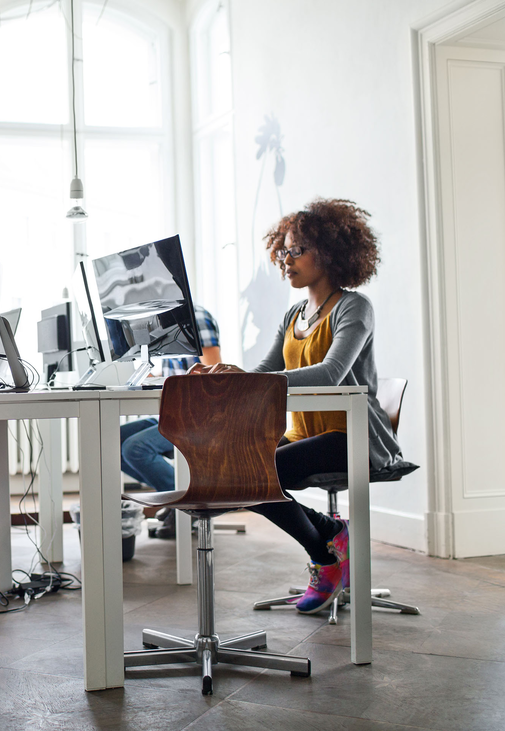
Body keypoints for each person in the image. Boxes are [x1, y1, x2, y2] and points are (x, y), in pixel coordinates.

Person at [190, 198, 404, 614]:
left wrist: (253, 380)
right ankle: (329, 533)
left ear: (330, 252)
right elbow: (268, 370)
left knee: (255, 474)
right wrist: (234, 375)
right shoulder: (294, 314)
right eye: (284, 251)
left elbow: (331, 373)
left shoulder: (354, 307)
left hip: (353, 436)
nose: (286, 260)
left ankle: (325, 557)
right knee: (239, 472)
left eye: (297, 250)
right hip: (306, 432)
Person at [119, 305, 222, 539]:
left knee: (136, 447)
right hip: (171, 411)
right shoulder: (159, 321)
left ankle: (186, 506)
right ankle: (176, 500)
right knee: (111, 441)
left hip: (198, 415)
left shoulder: (197, 318)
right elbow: (170, 374)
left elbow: (214, 373)